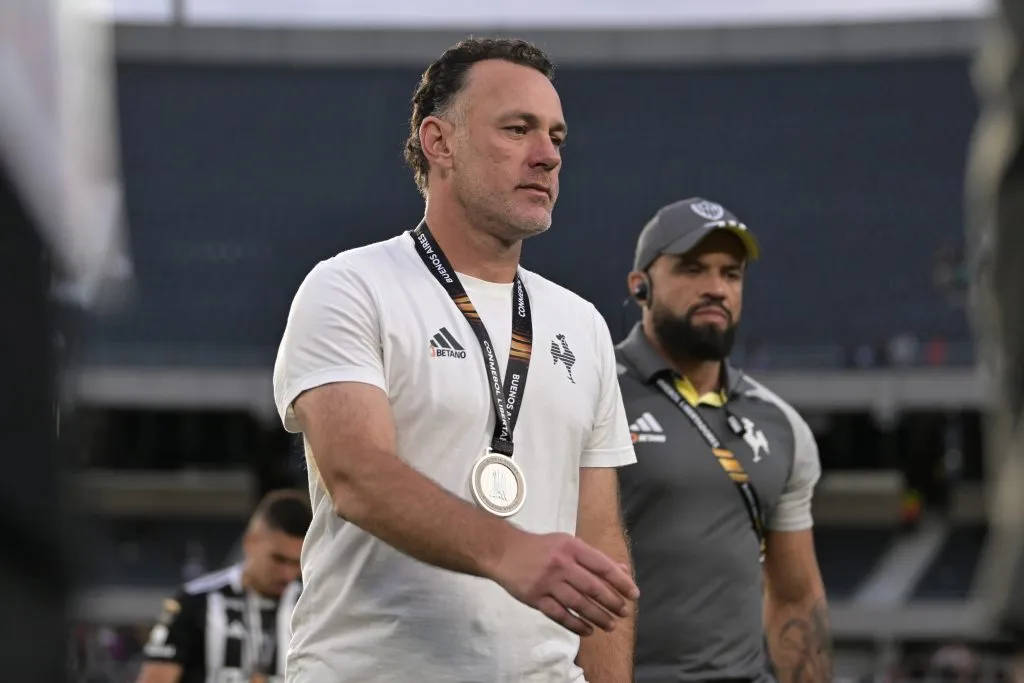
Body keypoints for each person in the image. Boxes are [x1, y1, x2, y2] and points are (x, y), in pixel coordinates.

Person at [273, 37, 639, 683]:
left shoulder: (581, 323)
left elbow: (600, 542)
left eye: (556, 136)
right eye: (518, 129)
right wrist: (508, 551)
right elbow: (357, 474)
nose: (548, 155)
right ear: (439, 142)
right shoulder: (351, 286)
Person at [615, 197, 831, 683]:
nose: (716, 288)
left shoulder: (782, 425)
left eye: (731, 274)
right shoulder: (589, 391)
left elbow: (796, 598)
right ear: (640, 286)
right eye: (692, 269)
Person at [136, 489, 311, 683]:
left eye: (297, 563)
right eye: (278, 559)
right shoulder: (195, 601)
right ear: (250, 542)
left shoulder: (311, 604)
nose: (287, 574)